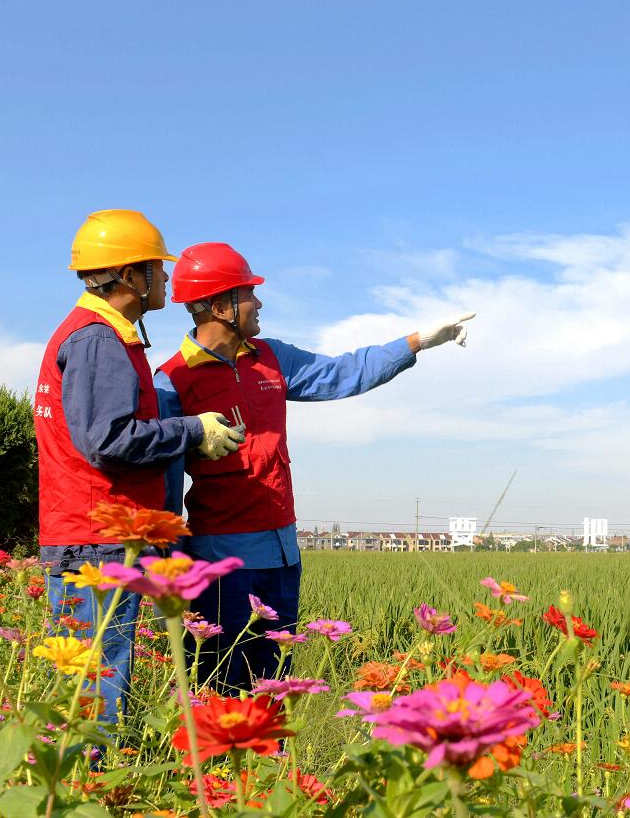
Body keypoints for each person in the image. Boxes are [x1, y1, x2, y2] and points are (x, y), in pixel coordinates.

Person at [154, 241, 473, 692]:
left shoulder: (271, 358)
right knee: (222, 685)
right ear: (220, 306)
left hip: (283, 554)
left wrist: (418, 341)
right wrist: (170, 562)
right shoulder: (172, 382)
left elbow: (344, 372)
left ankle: (277, 763)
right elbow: (164, 487)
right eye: (248, 294)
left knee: (273, 685)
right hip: (220, 561)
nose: (258, 302)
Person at [35, 210, 245, 727]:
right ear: (129, 276)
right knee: (96, 698)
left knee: (86, 688)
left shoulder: (98, 334)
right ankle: (89, 792)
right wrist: (192, 431)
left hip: (89, 533)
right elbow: (107, 440)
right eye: (158, 267)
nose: (168, 278)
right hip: (99, 539)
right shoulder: (98, 340)